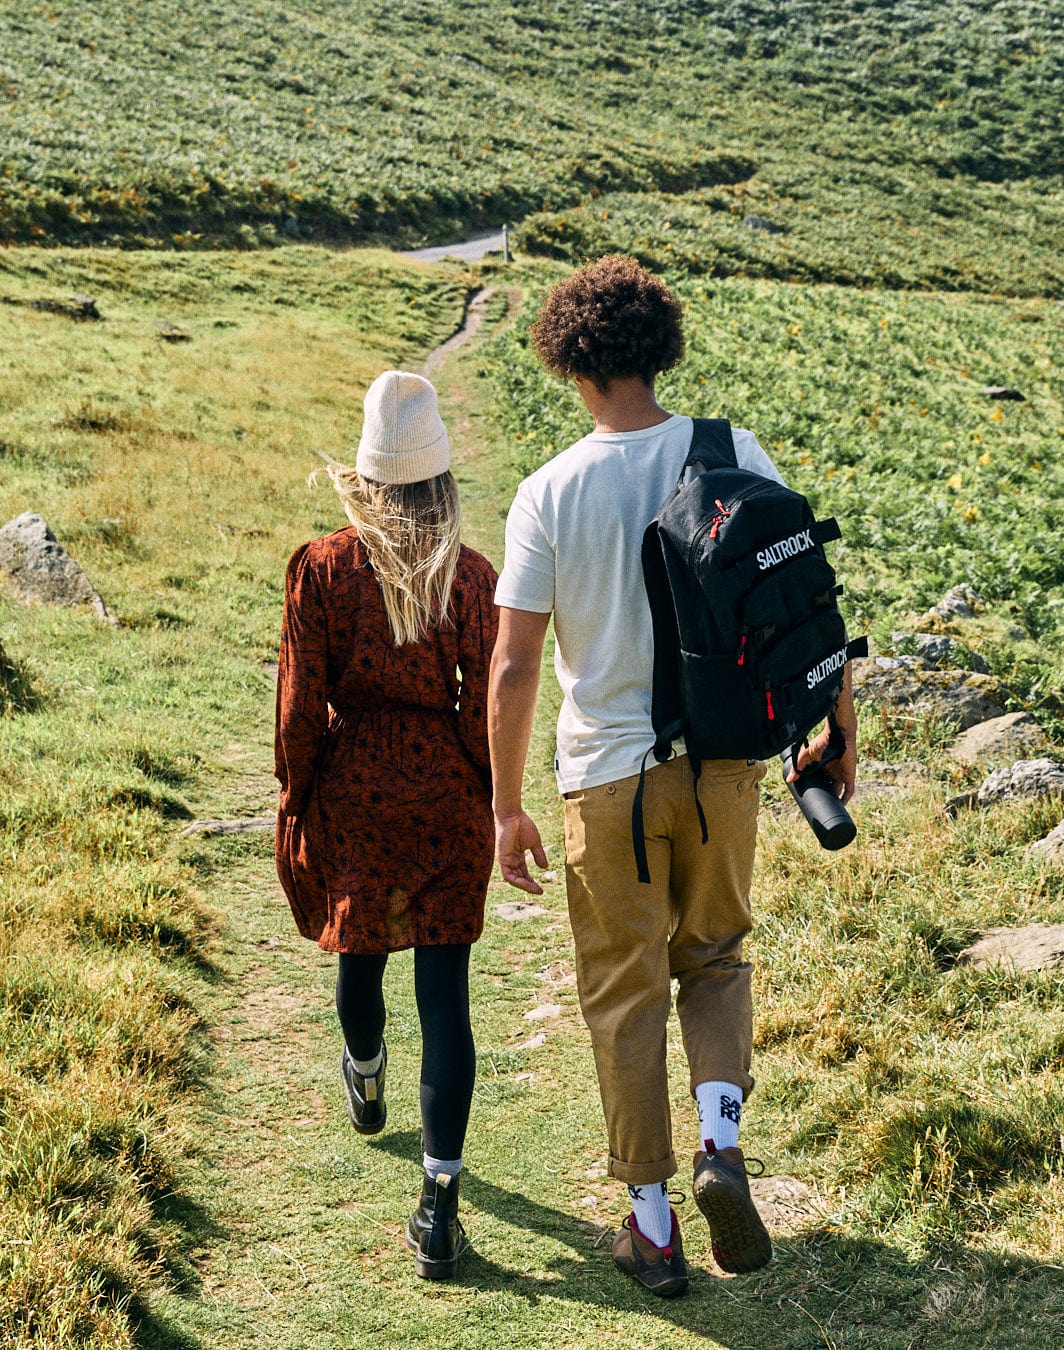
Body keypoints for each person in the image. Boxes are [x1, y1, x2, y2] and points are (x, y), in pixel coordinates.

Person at [487, 256, 857, 1297]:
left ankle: (651, 1225)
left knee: (623, 990)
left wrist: (506, 804)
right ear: (663, 345)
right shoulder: (732, 451)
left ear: (567, 361)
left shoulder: (548, 490)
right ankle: (720, 1143)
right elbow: (805, 603)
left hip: (603, 777)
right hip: (725, 765)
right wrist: (841, 724)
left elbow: (515, 663)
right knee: (719, 956)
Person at [274, 370, 498, 1281]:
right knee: (445, 1001)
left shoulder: (323, 568)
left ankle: (364, 1076)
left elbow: (298, 707)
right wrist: (488, 796)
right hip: (446, 787)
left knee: (358, 954)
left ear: (365, 478)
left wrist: (298, 792)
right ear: (441, 480)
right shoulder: (475, 578)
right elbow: (487, 705)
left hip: (354, 785)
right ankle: (438, 1206)